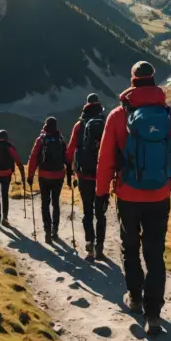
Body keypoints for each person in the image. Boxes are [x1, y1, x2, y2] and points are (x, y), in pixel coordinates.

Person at [96, 61, 171, 337]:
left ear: (133, 80)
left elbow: (105, 160)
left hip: (128, 194)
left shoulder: (118, 115)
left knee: (130, 246)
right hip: (160, 194)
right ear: (153, 80)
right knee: (155, 253)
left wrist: (102, 194)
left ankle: (135, 298)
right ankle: (154, 315)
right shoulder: (168, 114)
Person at [67, 94, 107, 261]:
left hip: (84, 175)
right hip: (102, 177)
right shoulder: (106, 124)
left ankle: (89, 245)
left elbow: (70, 150)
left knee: (87, 212)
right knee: (101, 214)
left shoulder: (79, 125)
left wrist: (68, 171)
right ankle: (100, 248)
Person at [28, 116, 71, 244]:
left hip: (44, 176)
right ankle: (55, 230)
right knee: (55, 202)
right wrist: (69, 178)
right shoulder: (61, 140)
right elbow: (67, 160)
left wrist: (30, 176)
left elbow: (34, 158)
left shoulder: (41, 139)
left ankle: (47, 230)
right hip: (58, 176)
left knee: (45, 202)